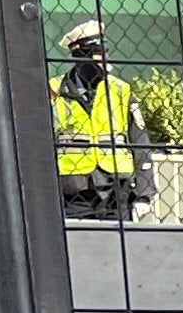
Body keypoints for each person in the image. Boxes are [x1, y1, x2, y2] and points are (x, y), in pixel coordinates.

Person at [53, 22, 148, 222]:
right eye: (96, 52)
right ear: (80, 55)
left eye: (104, 50)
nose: (103, 58)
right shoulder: (55, 91)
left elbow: (141, 145)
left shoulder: (121, 90)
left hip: (117, 196)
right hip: (73, 198)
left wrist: (144, 194)